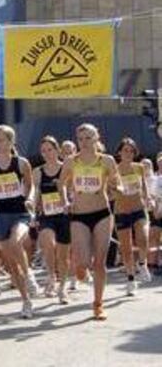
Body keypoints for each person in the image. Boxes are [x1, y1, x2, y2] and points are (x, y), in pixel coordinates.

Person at [60, 123, 121, 320]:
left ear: (96, 138)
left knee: (100, 262)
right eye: (81, 139)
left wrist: (117, 187)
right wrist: (65, 201)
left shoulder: (107, 160)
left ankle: (98, 304)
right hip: (79, 215)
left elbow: (116, 181)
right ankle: (80, 269)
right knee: (84, 262)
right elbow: (61, 183)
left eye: (88, 138)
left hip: (102, 213)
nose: (84, 142)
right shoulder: (71, 161)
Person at [0, 125, 35, 319]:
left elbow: (30, 185)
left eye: (1, 140)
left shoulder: (21, 163)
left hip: (19, 212)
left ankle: (29, 276)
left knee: (15, 241)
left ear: (11, 142)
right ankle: (26, 301)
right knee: (12, 264)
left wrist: (29, 199)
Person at [33, 136, 71, 304]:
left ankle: (62, 287)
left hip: (64, 215)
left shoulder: (66, 169)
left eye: (50, 149)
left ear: (57, 150)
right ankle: (51, 276)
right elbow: (35, 194)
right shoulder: (38, 172)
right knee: (48, 243)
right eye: (44, 151)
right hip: (46, 215)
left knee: (63, 255)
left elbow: (73, 190)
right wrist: (33, 212)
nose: (47, 153)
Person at [114, 137, 151, 295]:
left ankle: (142, 263)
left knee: (143, 238)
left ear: (135, 153)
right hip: (122, 211)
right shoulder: (114, 169)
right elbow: (109, 190)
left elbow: (143, 186)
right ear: (120, 152)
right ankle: (131, 279)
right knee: (127, 249)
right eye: (125, 150)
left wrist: (147, 198)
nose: (128, 153)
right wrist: (115, 190)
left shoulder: (139, 167)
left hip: (138, 208)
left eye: (131, 151)